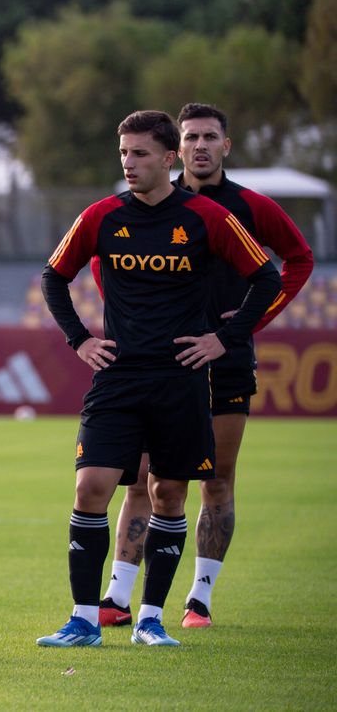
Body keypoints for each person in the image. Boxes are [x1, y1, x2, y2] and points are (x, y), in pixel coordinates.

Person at [37, 110, 281, 647]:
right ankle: (83, 618)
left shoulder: (208, 217)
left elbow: (267, 277)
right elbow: (53, 276)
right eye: (123, 152)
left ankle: (150, 619)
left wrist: (226, 338)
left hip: (181, 380)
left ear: (169, 159)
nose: (129, 163)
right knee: (90, 487)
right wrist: (80, 339)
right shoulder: (101, 216)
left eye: (140, 153)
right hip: (117, 379)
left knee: (169, 493)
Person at [95, 103, 314, 629]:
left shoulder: (252, 207)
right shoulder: (150, 204)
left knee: (215, 480)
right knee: (142, 477)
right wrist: (128, 317)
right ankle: (117, 598)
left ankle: (199, 599)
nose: (200, 146)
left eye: (210, 137)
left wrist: (254, 319)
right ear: (176, 150)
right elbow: (102, 261)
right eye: (191, 137)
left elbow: (298, 259)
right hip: (159, 361)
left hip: (225, 359)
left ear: (226, 146)